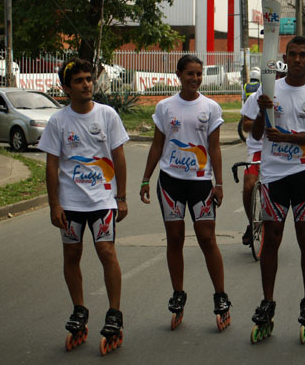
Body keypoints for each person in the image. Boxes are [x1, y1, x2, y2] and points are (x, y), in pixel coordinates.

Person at [247, 36, 305, 342]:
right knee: (271, 240)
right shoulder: (269, 89)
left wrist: (286, 138)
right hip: (274, 176)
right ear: (284, 58)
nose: (298, 59)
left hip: (304, 174)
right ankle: (267, 303)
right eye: (293, 54)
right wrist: (262, 112)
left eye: (303, 55)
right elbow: (255, 134)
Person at [38, 57, 129, 347]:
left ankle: (114, 313)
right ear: (66, 88)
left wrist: (121, 197)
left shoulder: (107, 115)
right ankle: (79, 310)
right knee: (72, 256)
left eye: (89, 79)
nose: (87, 85)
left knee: (106, 251)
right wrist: (54, 204)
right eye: (79, 81)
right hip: (70, 203)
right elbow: (52, 165)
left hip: (103, 200)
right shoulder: (58, 121)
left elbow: (119, 157)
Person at [139, 54, 231, 330]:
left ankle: (221, 297)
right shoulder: (165, 107)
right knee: (175, 239)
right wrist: (145, 178)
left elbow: (214, 148)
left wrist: (219, 183)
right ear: (178, 75)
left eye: (199, 74)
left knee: (207, 239)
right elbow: (157, 145)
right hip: (171, 182)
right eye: (190, 73)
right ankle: (178, 294)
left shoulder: (211, 107)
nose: (195, 78)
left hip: (201, 183)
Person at [241, 62, 288, 245]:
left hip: (280, 150)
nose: (277, 80)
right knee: (249, 185)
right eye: (274, 76)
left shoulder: (290, 96)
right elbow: (245, 124)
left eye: (281, 76)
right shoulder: (256, 97)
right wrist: (259, 122)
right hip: (258, 149)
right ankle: (251, 222)